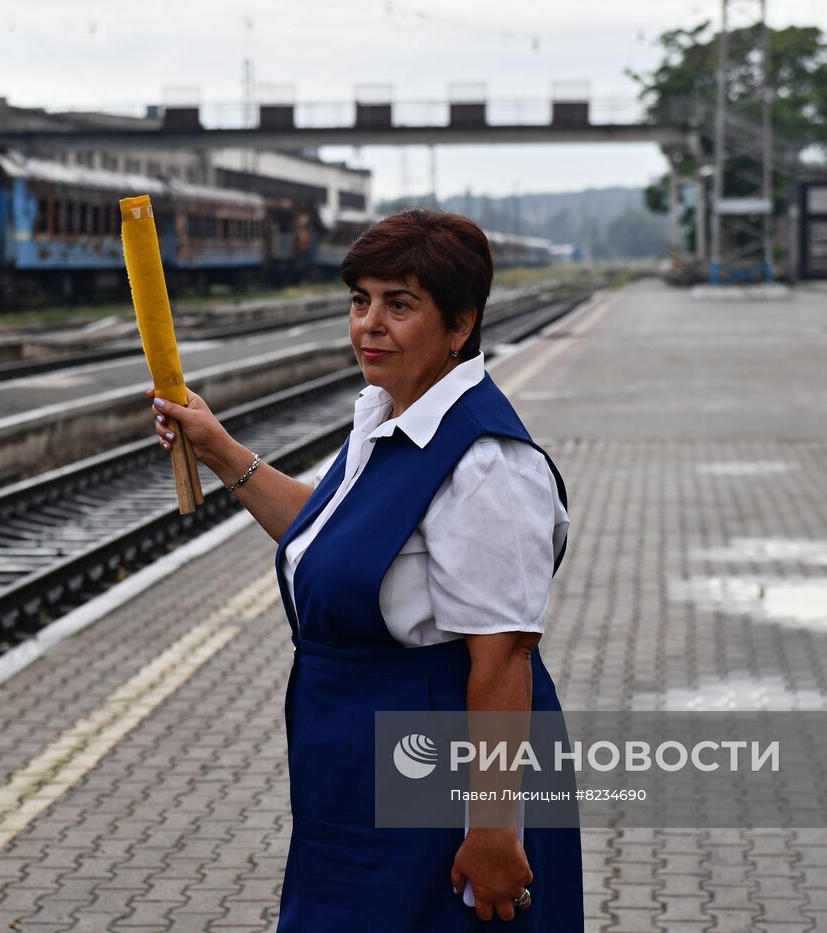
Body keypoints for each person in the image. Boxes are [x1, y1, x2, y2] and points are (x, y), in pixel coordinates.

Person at [146, 208, 583, 929]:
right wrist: (218, 447)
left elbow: (503, 660)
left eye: (400, 304)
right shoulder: (385, 416)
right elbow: (332, 535)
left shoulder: (487, 465)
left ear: (459, 324)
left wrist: (495, 832)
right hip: (350, 775)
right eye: (360, 300)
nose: (369, 324)